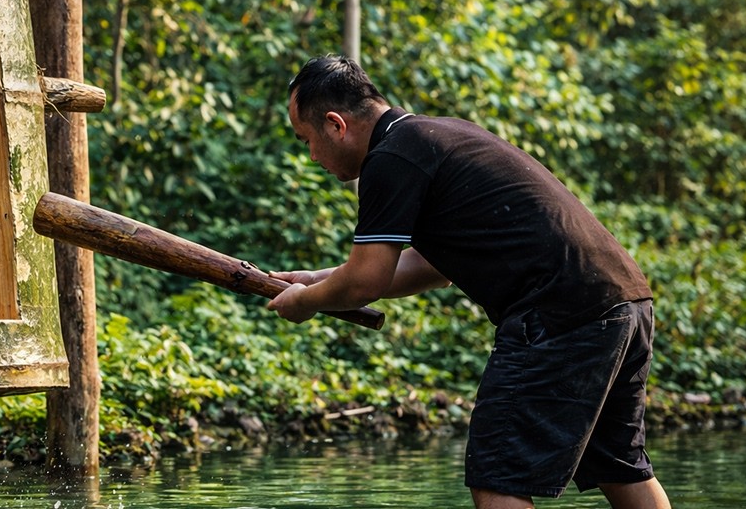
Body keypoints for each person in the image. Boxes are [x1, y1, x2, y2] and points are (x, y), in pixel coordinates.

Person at [267, 55, 671, 509]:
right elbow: (431, 266)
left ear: (336, 125)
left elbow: (365, 282)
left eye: (307, 141)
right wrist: (317, 280)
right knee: (620, 464)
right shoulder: (436, 135)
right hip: (623, 303)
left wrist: (309, 303)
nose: (312, 157)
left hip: (558, 311)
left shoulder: (391, 158)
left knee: (498, 477)